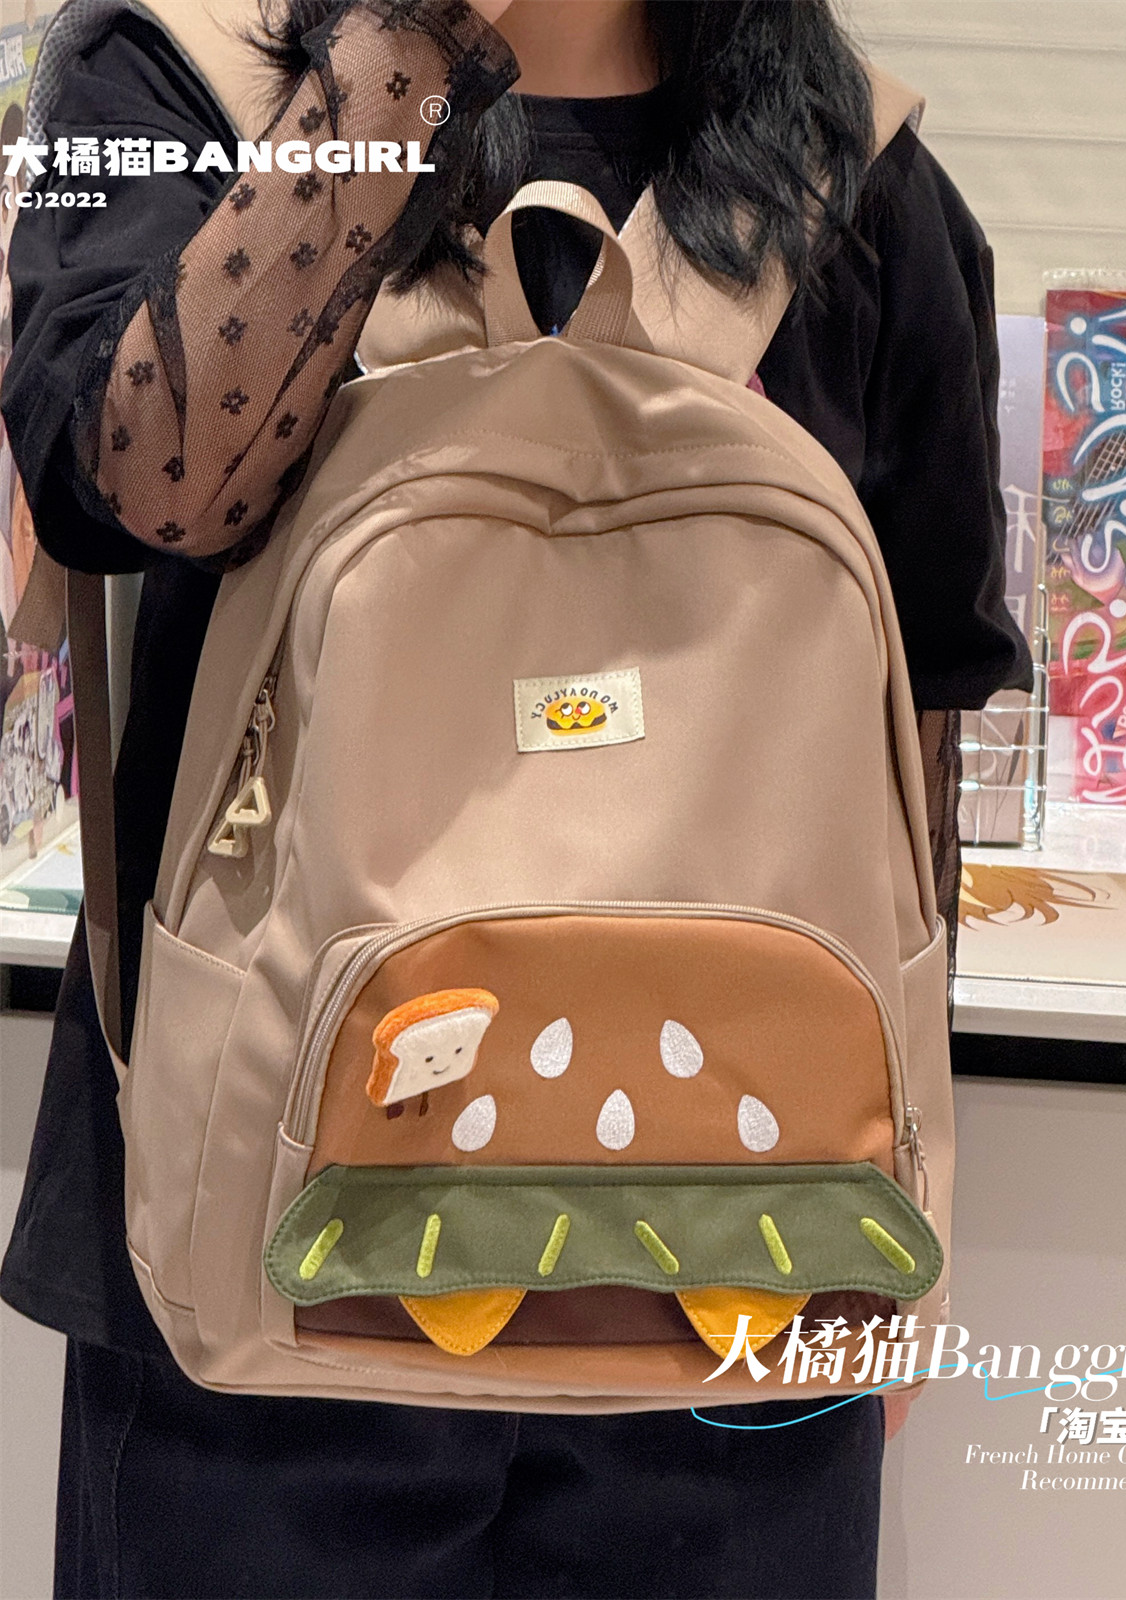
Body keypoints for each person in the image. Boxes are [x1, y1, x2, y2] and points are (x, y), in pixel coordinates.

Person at [1, 2, 1032, 1596]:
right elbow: (134, 483)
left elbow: (922, 743)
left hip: (746, 1276)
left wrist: (913, 1199)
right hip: (253, 1268)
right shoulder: (177, 69)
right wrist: (408, 44)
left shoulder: (854, 169)